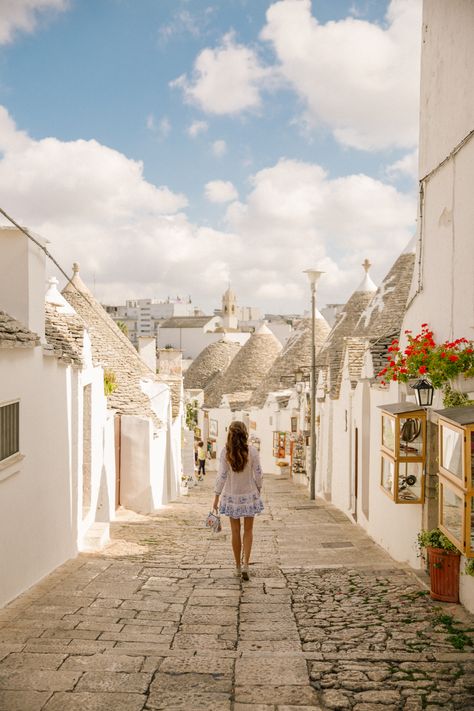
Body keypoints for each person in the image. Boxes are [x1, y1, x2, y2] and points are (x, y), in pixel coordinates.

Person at [213, 421, 263, 580]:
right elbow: (259, 474)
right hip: (249, 495)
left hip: (231, 497)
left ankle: (237, 566)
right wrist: (258, 489)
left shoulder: (225, 453)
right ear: (244, 434)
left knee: (235, 532)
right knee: (248, 531)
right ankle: (246, 565)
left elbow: (221, 477)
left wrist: (216, 496)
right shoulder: (253, 451)